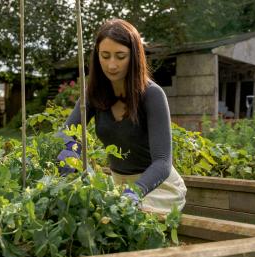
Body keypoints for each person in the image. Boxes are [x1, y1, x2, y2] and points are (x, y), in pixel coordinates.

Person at [57, 19, 186, 213]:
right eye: (105, 55)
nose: (112, 65)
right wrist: (69, 147)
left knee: (120, 217)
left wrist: (135, 191)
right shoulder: (94, 94)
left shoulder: (152, 95)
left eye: (120, 56)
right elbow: (66, 132)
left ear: (134, 57)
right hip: (117, 187)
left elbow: (163, 162)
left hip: (156, 188)